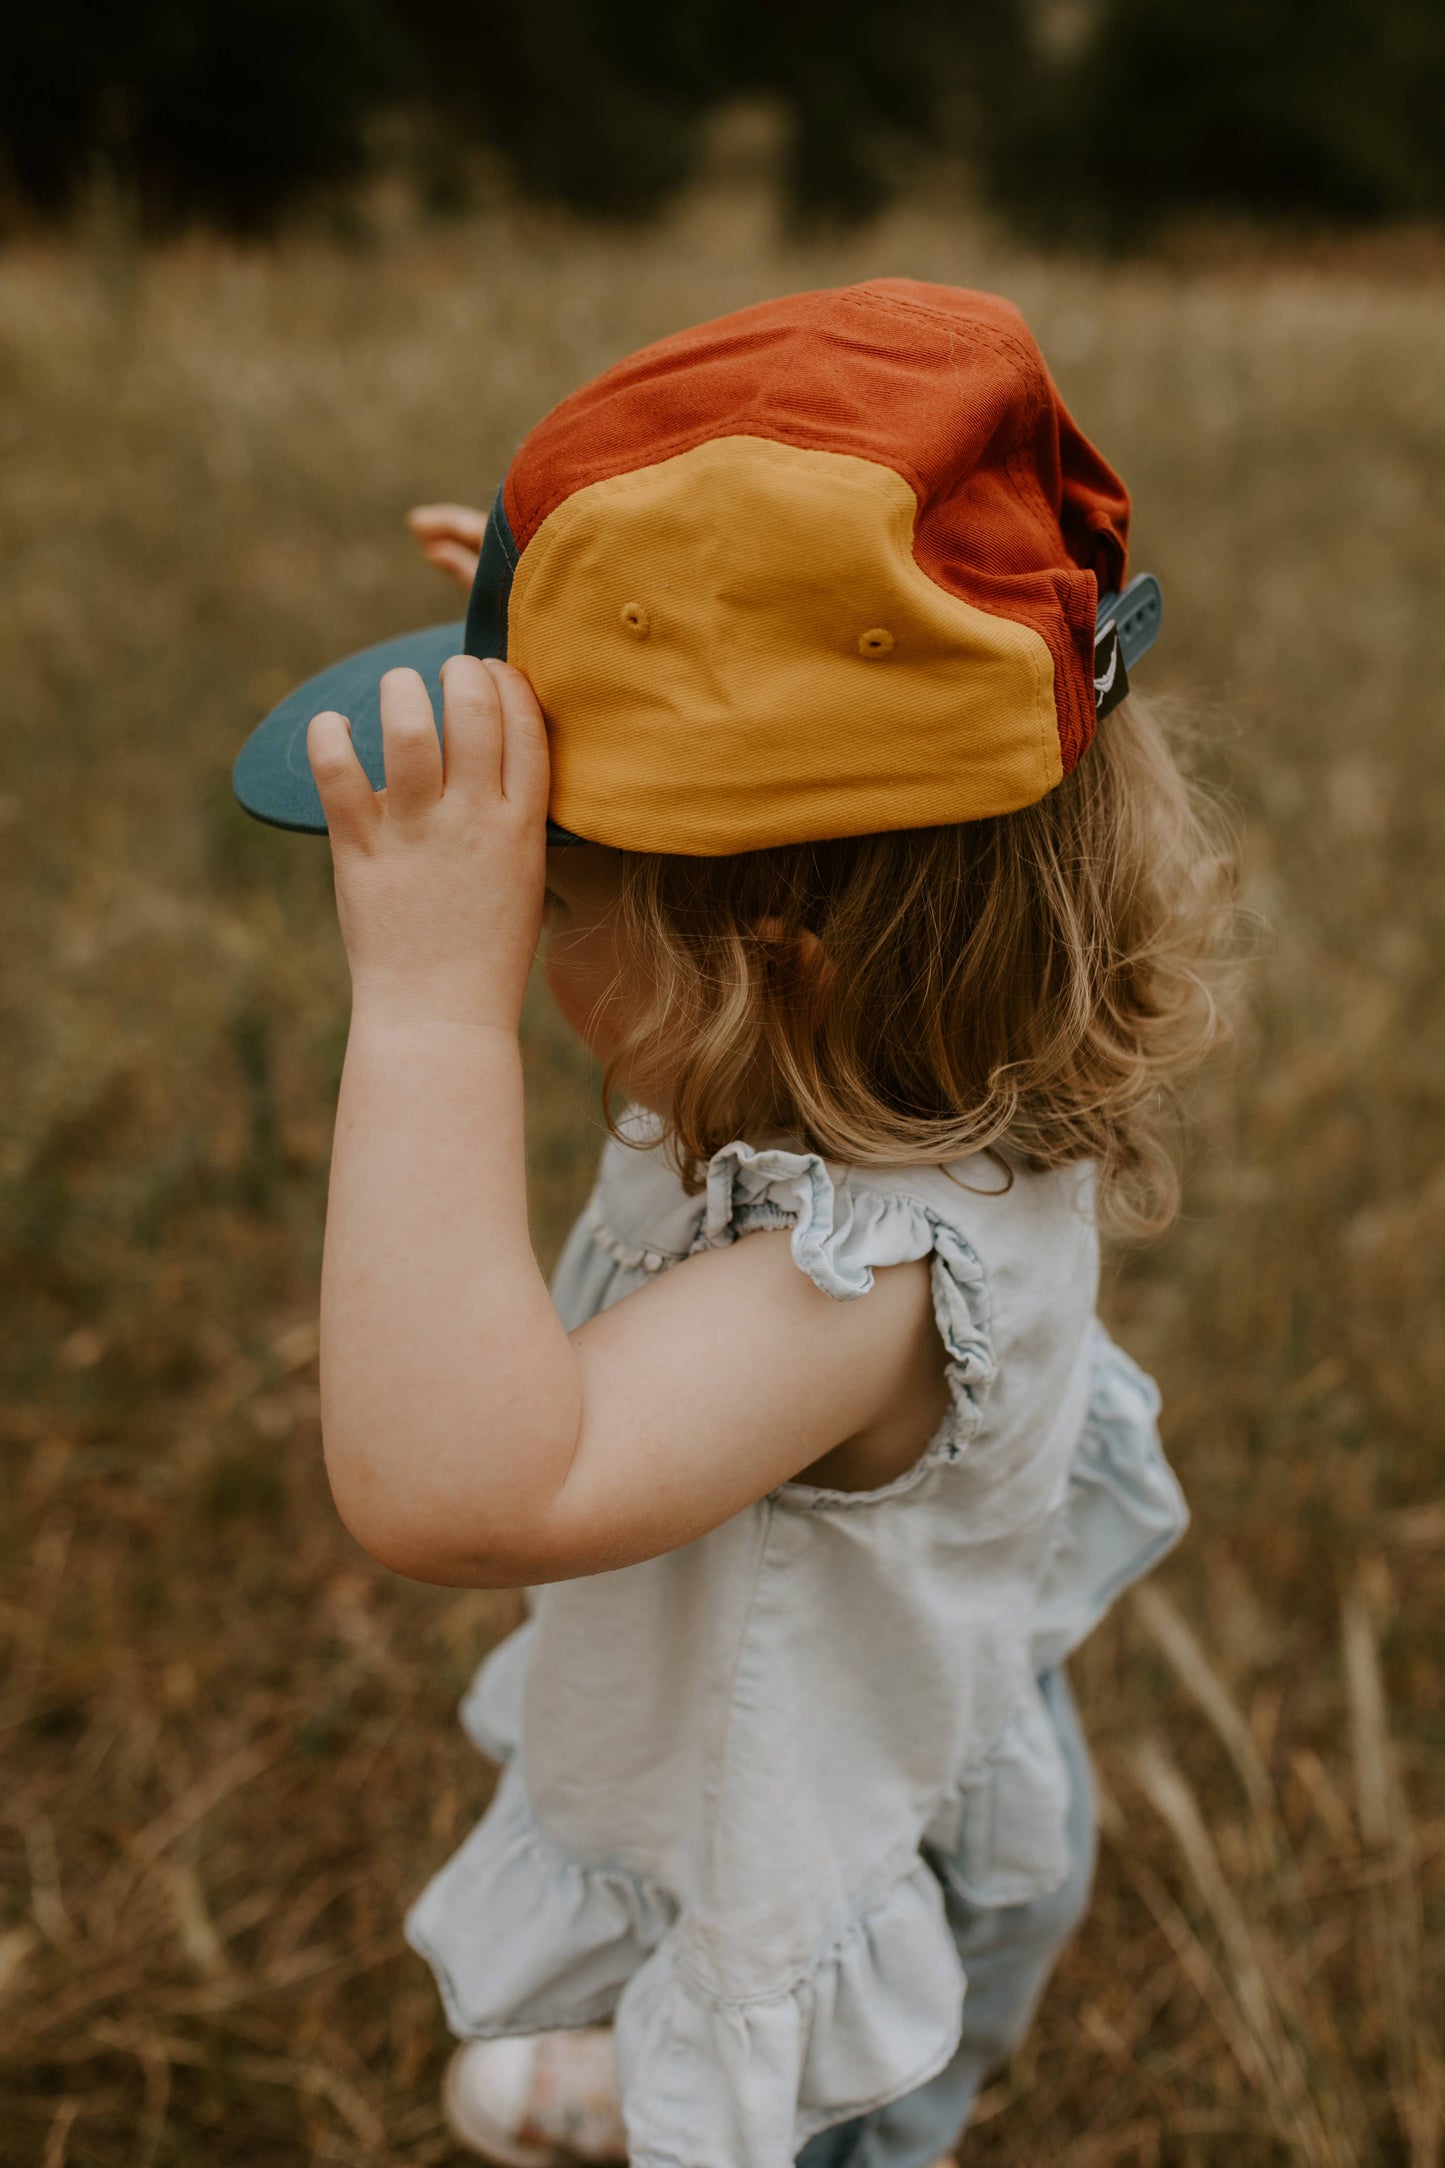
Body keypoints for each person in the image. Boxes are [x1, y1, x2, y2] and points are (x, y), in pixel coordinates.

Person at [233, 282, 1230, 2168]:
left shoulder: (851, 1285)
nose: (528, 935)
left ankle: (725, 2083)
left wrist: (428, 1005)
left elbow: (459, 1488)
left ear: (764, 965)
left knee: (815, 2130)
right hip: (872, 1715)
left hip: (839, 1866)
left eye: (556, 892)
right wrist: (574, 619)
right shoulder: (917, 1047)